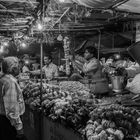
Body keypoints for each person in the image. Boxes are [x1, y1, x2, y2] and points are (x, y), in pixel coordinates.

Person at [0, 57, 25, 140]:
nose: (20, 69)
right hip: (8, 122)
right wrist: (19, 127)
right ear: (13, 69)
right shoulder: (10, 82)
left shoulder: (3, 78)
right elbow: (11, 108)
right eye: (18, 67)